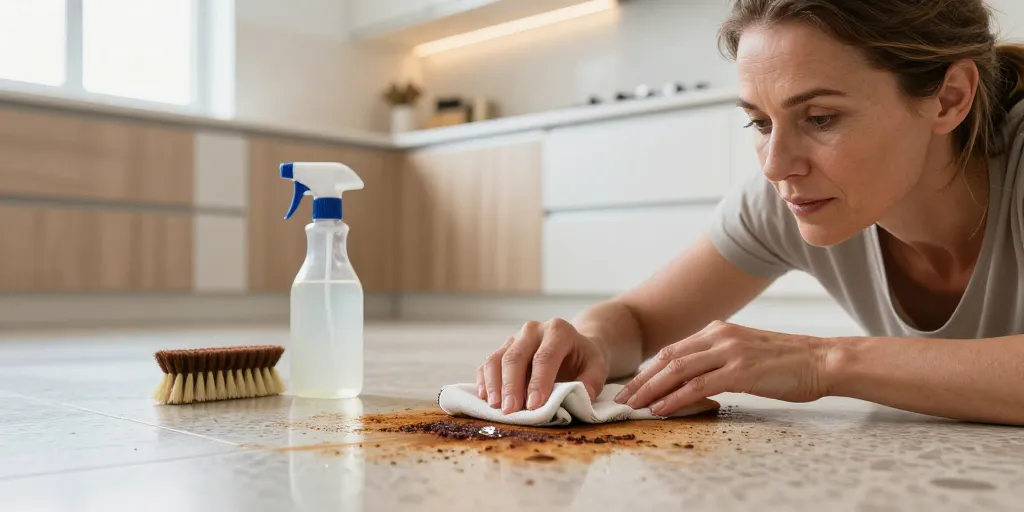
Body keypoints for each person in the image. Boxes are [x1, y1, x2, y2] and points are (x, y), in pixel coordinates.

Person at [475, 0, 1024, 427]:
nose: (776, 166)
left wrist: (824, 362)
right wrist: (587, 341)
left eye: (821, 117)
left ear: (949, 98)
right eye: (761, 123)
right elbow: (639, 321)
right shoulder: (786, 202)